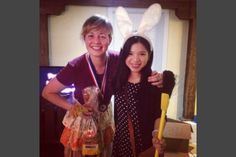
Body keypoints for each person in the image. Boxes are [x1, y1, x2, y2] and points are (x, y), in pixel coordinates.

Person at [42, 15, 163, 157]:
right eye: (90, 36)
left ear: (110, 39)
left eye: (102, 36)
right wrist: (74, 108)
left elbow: (139, 65)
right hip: (82, 119)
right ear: (84, 38)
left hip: (104, 119)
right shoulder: (75, 66)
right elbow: (47, 92)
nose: (96, 41)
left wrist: (161, 76)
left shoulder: (119, 60)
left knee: (105, 153)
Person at [111, 35, 175, 157]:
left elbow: (159, 113)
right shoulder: (118, 80)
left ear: (149, 55)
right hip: (121, 141)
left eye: (142, 54)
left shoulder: (154, 81)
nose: (135, 59)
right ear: (123, 54)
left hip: (144, 143)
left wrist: (156, 134)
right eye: (130, 53)